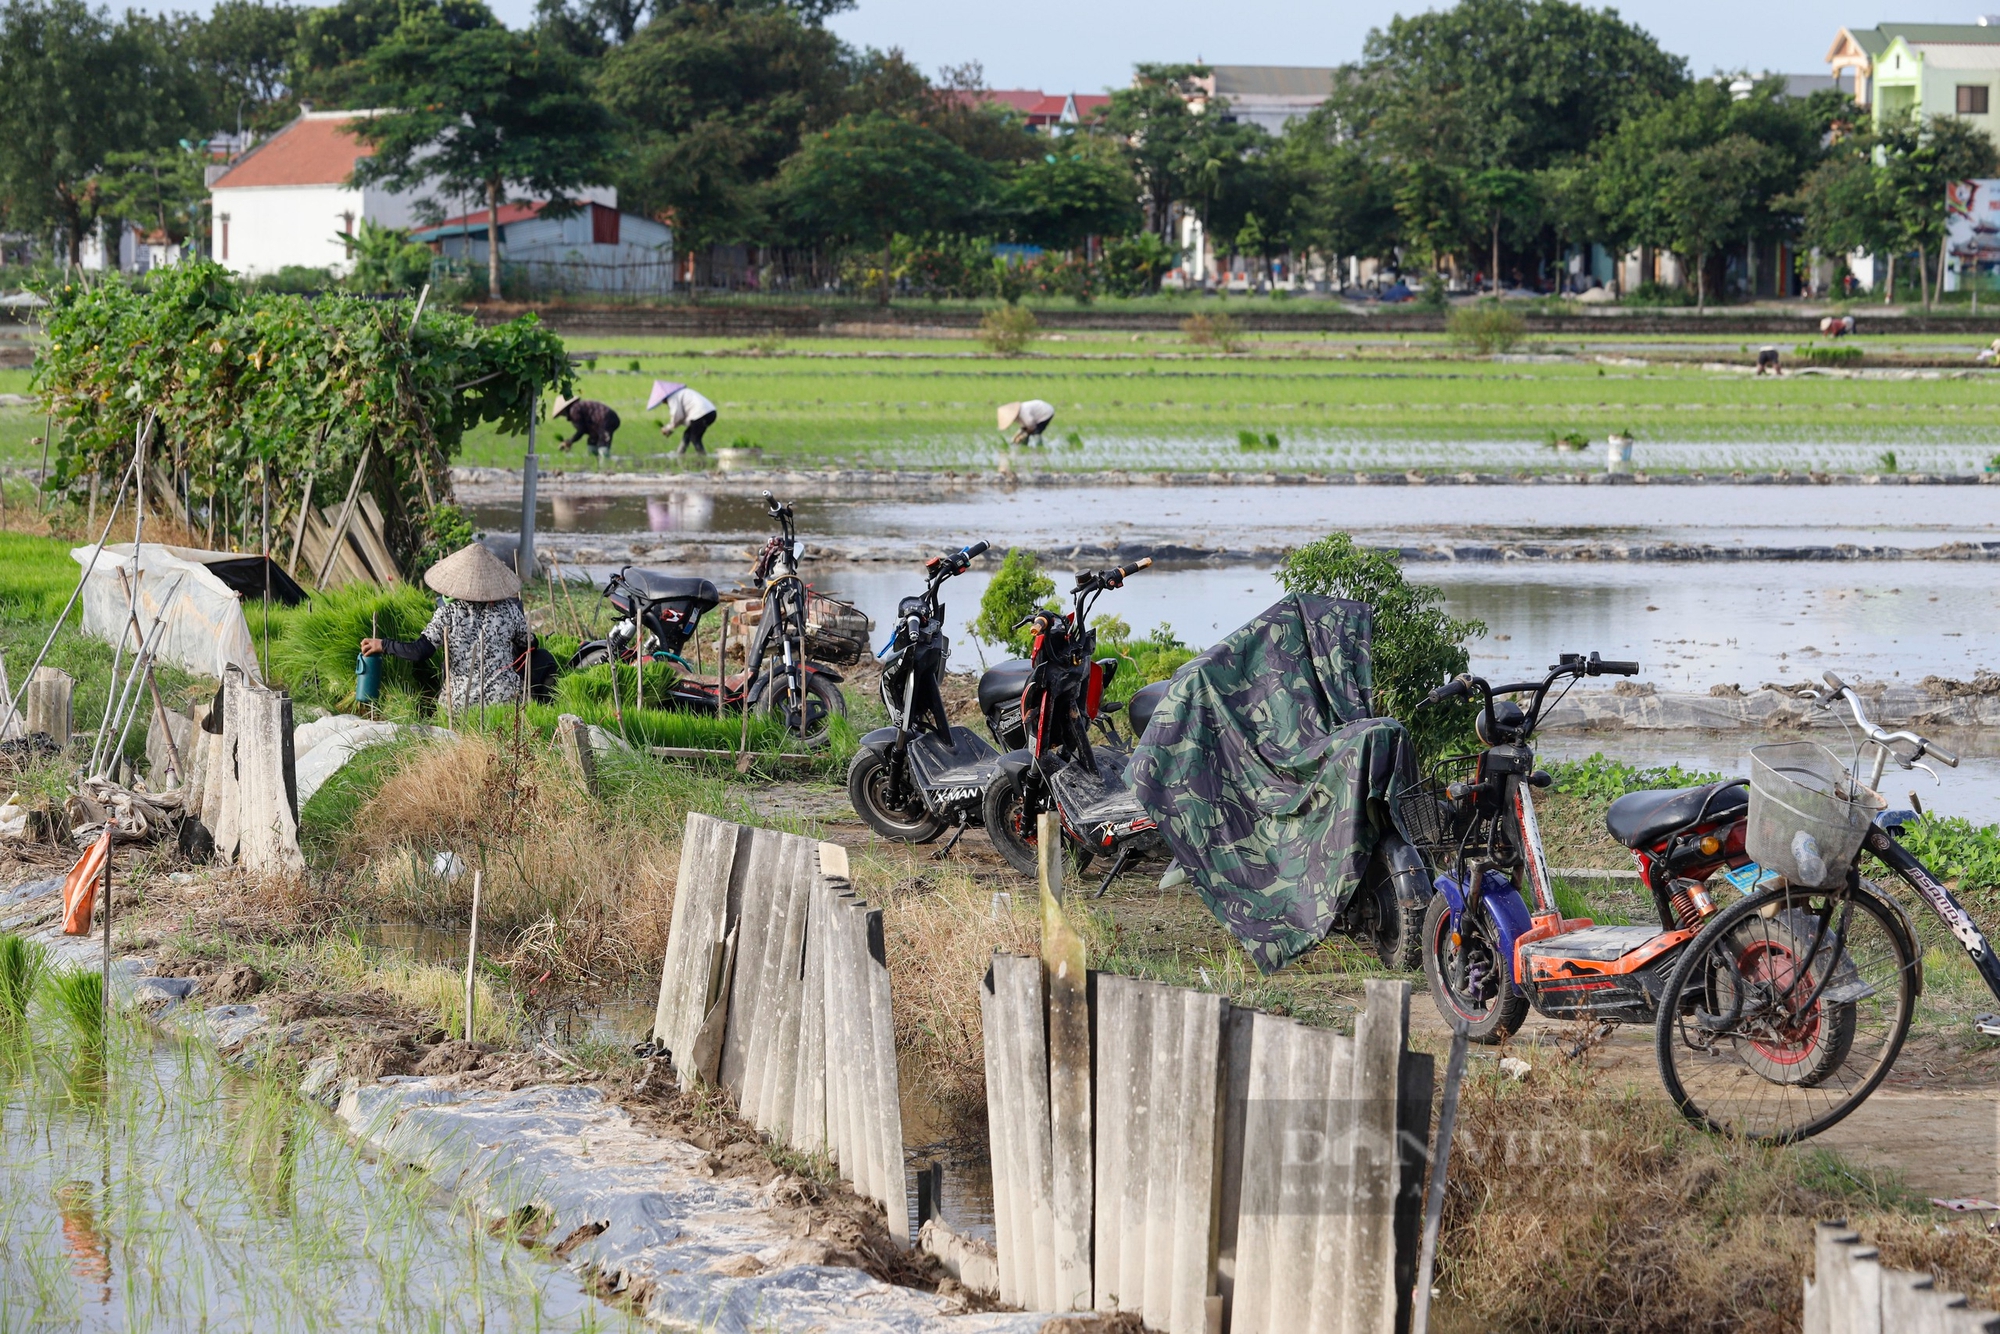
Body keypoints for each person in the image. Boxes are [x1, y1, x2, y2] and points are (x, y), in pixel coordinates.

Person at [359, 541, 533, 716]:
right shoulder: (510, 610)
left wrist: (383, 645)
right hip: (506, 701)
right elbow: (530, 643)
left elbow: (419, 651)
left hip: (460, 705)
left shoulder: (447, 613)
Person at [647, 380, 718, 455]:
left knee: (695, 438)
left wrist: (668, 428)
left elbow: (677, 416)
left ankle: (702, 455)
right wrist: (671, 427)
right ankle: (680, 453)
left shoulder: (672, 398)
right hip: (711, 412)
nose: (664, 403)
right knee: (687, 434)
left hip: (700, 414)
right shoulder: (681, 393)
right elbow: (681, 417)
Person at [553, 396, 621, 462]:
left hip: (605, 420)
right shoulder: (577, 407)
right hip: (599, 422)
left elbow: (581, 430)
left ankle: (604, 466)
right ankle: (595, 464)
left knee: (603, 445)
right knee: (592, 443)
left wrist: (570, 441)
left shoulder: (574, 410)